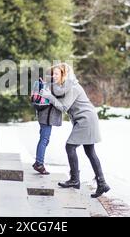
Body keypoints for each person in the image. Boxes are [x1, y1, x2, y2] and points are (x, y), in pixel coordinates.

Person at [40, 63, 110, 198]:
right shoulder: (65, 87)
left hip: (86, 120)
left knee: (70, 146)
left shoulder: (73, 87)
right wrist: (46, 88)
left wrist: (49, 96)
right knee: (90, 151)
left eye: (56, 74)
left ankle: (75, 179)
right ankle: (101, 183)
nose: (53, 76)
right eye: (53, 74)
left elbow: (64, 106)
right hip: (84, 120)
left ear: (64, 75)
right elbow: (57, 93)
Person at [31, 71, 63, 175]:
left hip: (42, 114)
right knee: (44, 140)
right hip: (46, 116)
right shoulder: (52, 86)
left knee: (44, 139)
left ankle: (39, 162)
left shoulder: (43, 83)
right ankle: (39, 163)